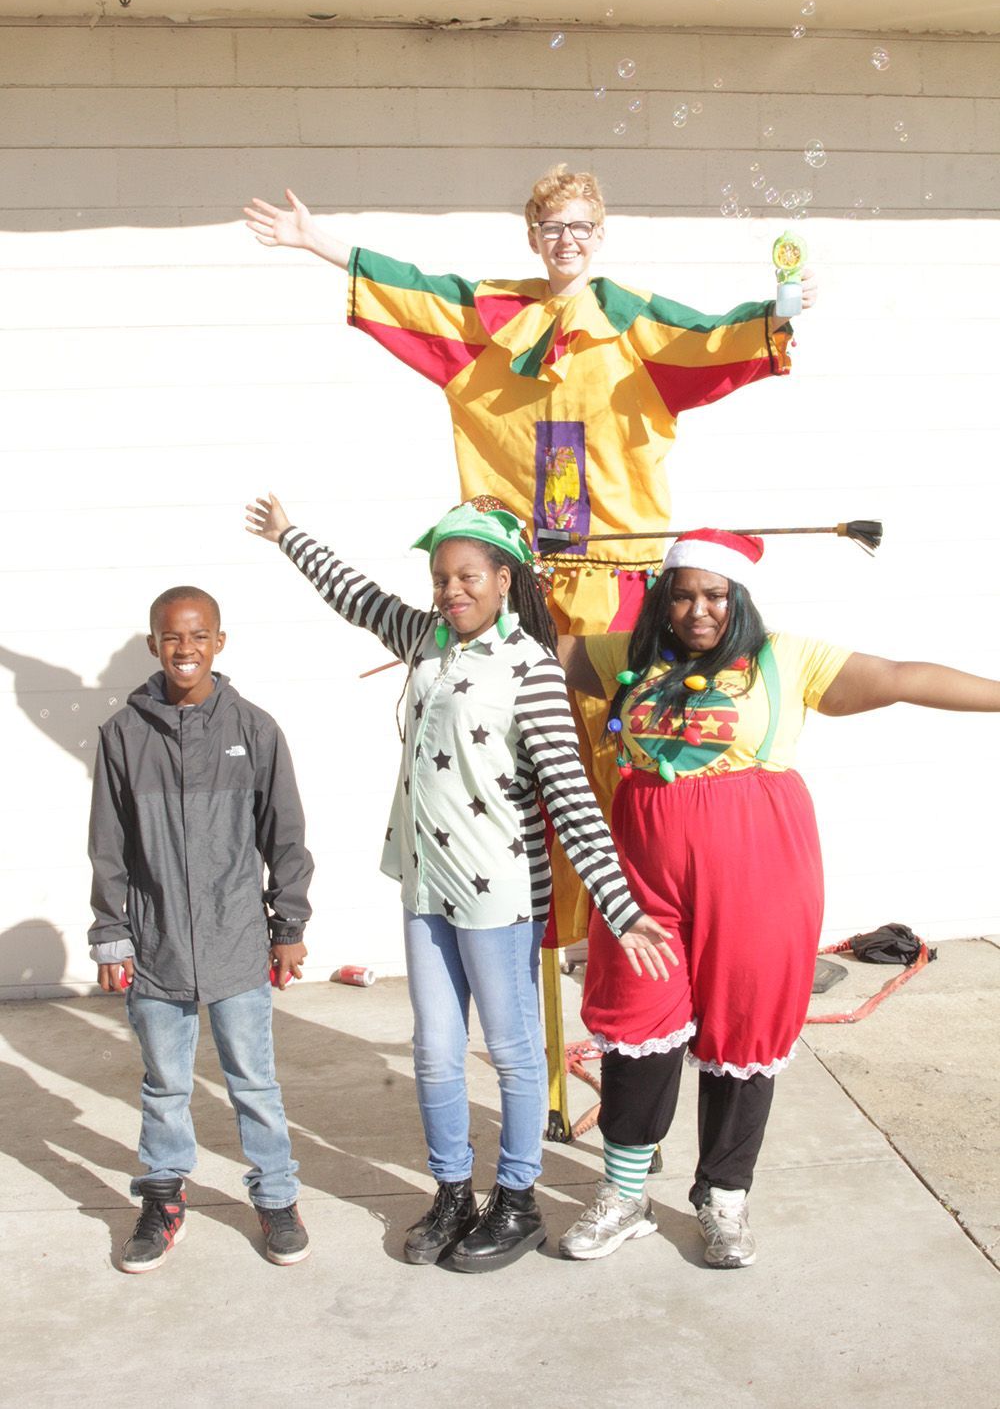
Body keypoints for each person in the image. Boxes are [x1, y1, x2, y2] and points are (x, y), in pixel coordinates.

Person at [243, 167, 817, 944]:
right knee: (517, 752)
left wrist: (777, 311)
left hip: (615, 586)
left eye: (580, 227)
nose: (566, 241)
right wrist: (320, 243)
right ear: (532, 236)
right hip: (521, 589)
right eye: (552, 227)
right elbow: (414, 292)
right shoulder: (491, 319)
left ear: (600, 235)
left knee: (618, 748)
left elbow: (714, 338)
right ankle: (533, 928)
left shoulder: (635, 324)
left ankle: (631, 926)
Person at [245, 492, 675, 1272]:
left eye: (468, 576)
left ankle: (517, 1200)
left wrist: (620, 906)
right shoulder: (426, 641)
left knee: (512, 1052)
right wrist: (287, 535)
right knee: (436, 1051)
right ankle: (452, 1192)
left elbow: (572, 799)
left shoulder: (531, 670)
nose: (451, 590)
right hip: (425, 885)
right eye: (441, 577)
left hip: (500, 894)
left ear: (505, 580)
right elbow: (356, 596)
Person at [556, 527, 1000, 1267]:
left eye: (715, 595)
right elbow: (524, 646)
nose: (699, 610)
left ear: (739, 597)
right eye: (684, 595)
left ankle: (723, 1198)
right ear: (664, 600)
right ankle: (626, 1196)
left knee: (746, 1023)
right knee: (637, 1021)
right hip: (644, 872)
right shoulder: (627, 654)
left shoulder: (786, 658)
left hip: (759, 868)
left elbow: (901, 676)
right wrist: (503, 568)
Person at [88, 586, 315, 1273]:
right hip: (156, 948)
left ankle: (276, 1196)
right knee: (164, 1084)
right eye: (171, 636)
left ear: (219, 642)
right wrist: (112, 933)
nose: (184, 648)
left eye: (197, 635)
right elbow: (108, 846)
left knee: (255, 1082)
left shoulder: (255, 729)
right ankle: (163, 1199)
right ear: (154, 644)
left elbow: (285, 835)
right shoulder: (123, 735)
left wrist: (288, 924)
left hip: (237, 941)